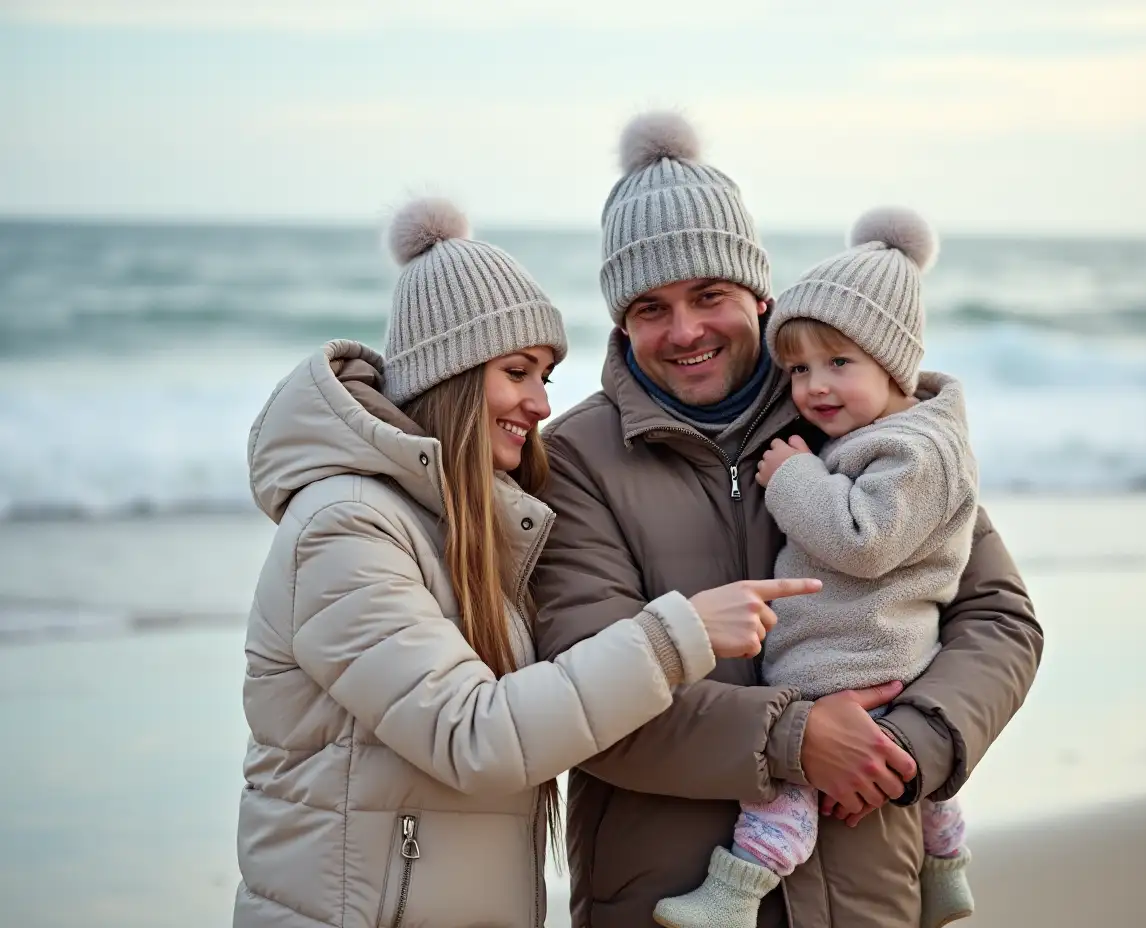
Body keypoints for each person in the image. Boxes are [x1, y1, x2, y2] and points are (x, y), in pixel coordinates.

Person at [232, 196, 817, 928]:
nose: (541, 403)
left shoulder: (468, 533)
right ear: (452, 372)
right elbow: (475, 737)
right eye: (518, 372)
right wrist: (678, 635)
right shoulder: (346, 527)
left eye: (544, 374)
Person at [533, 112, 1043, 928]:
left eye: (710, 296)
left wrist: (911, 744)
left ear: (759, 297)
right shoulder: (575, 462)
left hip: (866, 883)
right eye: (650, 308)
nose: (685, 330)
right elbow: (582, 688)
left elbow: (998, 617)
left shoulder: (858, 421)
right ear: (621, 324)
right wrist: (791, 739)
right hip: (661, 897)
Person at [654, 207, 979, 928]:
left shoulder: (908, 451)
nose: (813, 388)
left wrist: (794, 477)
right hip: (879, 649)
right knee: (919, 789)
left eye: (839, 364)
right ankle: (948, 868)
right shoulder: (886, 434)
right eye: (798, 369)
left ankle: (735, 895)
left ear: (894, 364)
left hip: (847, 657)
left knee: (782, 796)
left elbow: (865, 540)